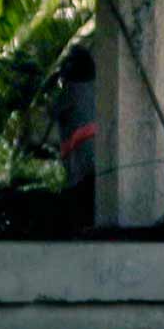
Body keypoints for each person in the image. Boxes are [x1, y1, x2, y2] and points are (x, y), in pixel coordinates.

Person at [50, 47, 98, 235]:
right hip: (97, 146)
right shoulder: (97, 86)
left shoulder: (70, 91)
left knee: (78, 189)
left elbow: (54, 111)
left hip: (79, 149)